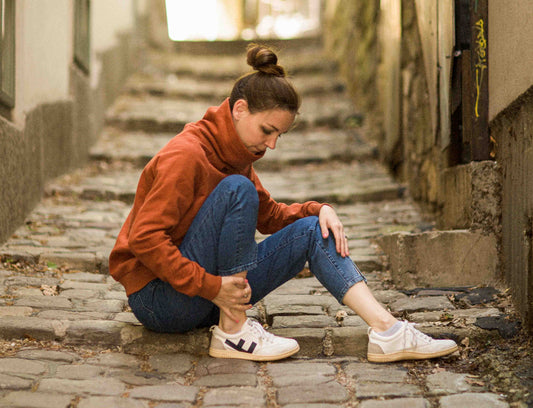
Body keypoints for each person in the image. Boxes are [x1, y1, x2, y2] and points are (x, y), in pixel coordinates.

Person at [109, 44, 458, 363]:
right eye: (267, 130)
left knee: (309, 231)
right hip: (161, 301)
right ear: (240, 110)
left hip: (211, 295)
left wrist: (318, 210)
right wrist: (211, 286)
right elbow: (145, 238)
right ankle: (234, 331)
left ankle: (387, 331)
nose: (272, 145)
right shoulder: (186, 155)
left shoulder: (237, 154)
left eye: (279, 135)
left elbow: (270, 216)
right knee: (237, 190)